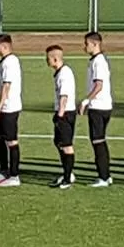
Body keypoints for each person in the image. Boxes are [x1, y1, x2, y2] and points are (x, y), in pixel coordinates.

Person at [0, 34, 23, 186]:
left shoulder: (9, 62)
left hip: (9, 108)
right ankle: (4, 170)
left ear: (4, 46)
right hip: (5, 106)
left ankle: (14, 176)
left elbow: (7, 86)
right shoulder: (5, 62)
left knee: (11, 141)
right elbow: (4, 85)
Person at [81, 32, 114, 187]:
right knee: (100, 141)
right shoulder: (97, 60)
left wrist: (86, 101)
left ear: (95, 44)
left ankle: (103, 177)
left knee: (98, 141)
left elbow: (98, 85)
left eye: (86, 44)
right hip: (103, 106)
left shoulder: (99, 62)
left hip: (98, 107)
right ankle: (106, 174)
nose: (84, 47)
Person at [45, 45, 79, 189]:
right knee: (58, 142)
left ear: (55, 59)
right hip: (63, 112)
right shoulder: (60, 73)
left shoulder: (64, 73)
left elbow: (64, 95)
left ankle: (68, 178)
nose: (46, 60)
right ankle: (67, 172)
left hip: (65, 113)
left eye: (48, 58)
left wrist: (60, 114)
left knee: (66, 145)